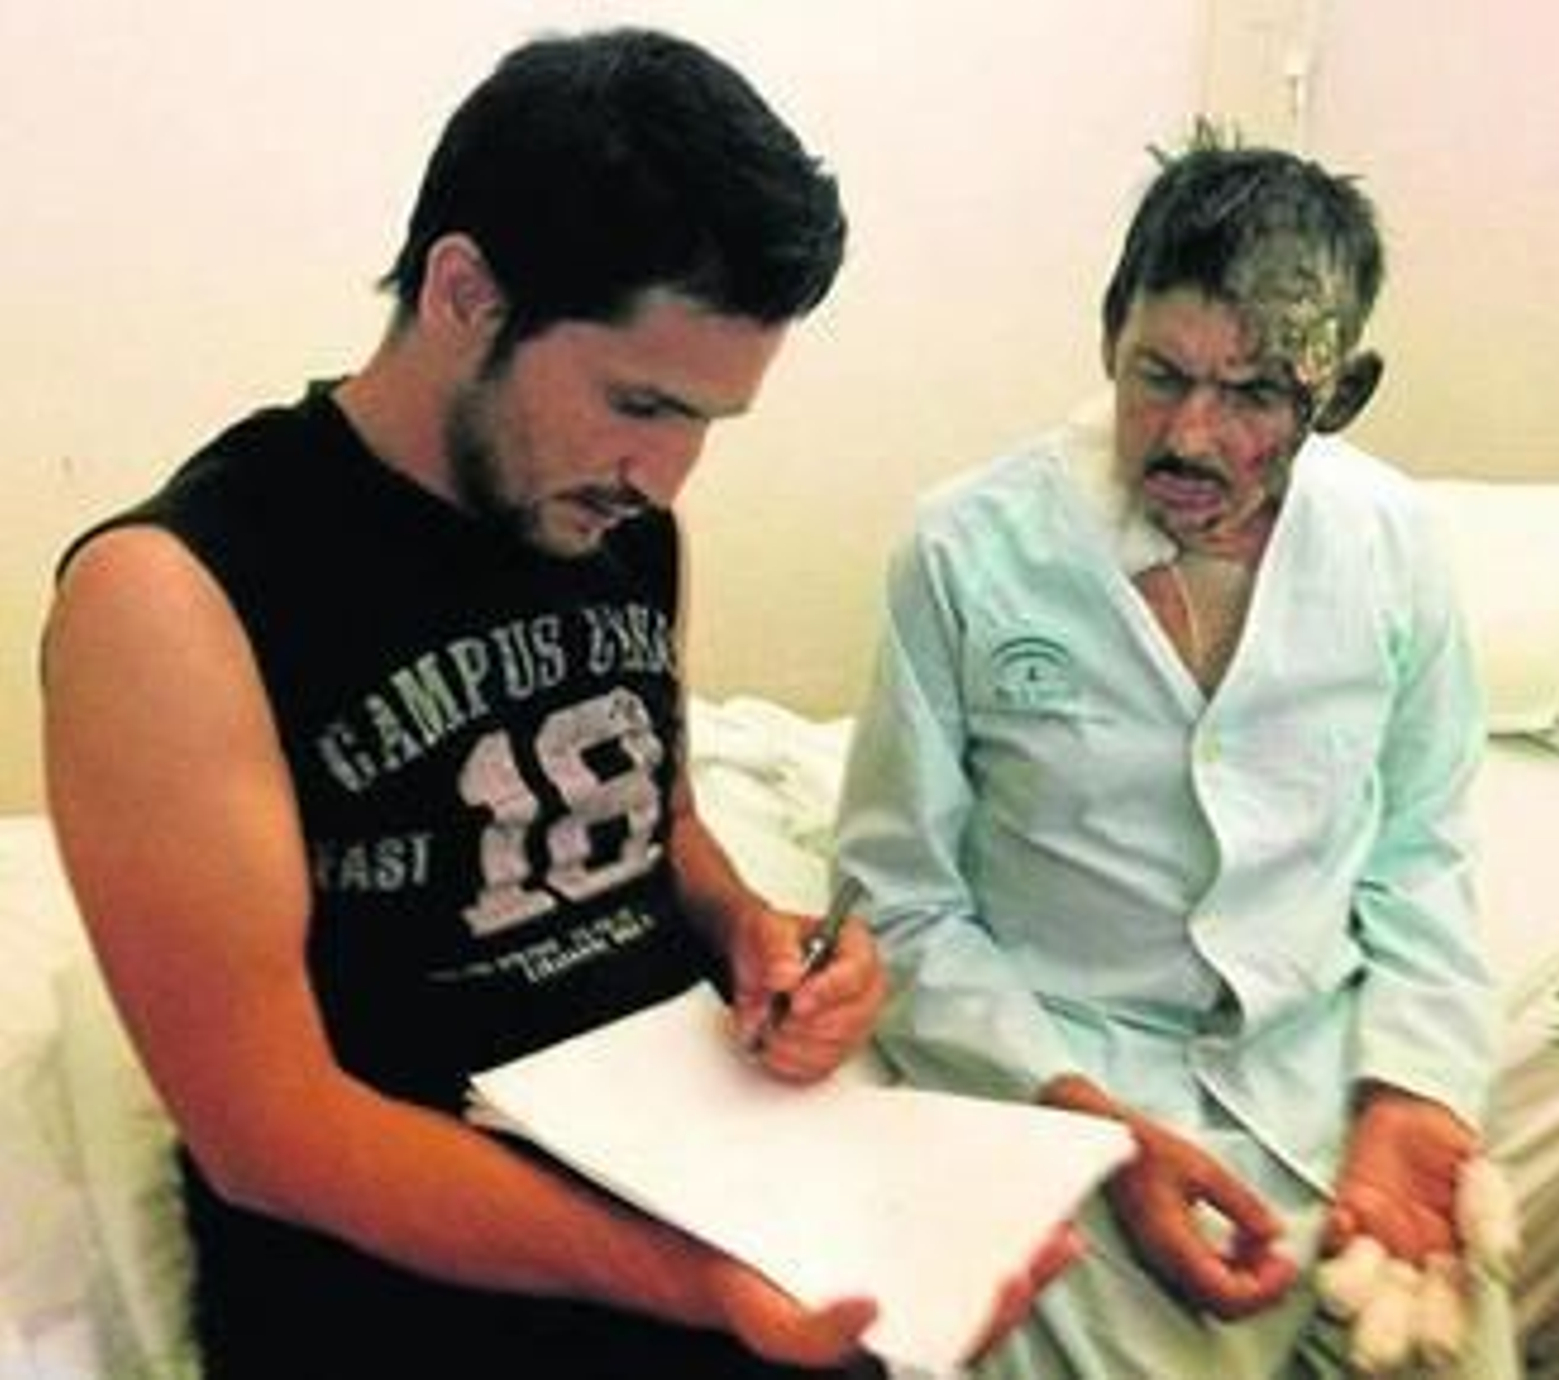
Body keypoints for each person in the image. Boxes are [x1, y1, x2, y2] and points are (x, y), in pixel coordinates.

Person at [40, 28, 1073, 1380]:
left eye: (710, 421)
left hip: (718, 1197)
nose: (668, 475)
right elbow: (270, 1140)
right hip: (411, 1288)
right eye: (640, 401)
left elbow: (656, 820)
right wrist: (712, 1285)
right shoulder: (173, 597)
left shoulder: (618, 520)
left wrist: (755, 934)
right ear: (465, 292)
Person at [834, 124, 1520, 1378]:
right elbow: (899, 904)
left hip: (1327, 1103)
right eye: (1156, 374)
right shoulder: (965, 550)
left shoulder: (1395, 548)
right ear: (1108, 333)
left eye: (1255, 393)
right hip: (1068, 1091)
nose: (1188, 437)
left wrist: (1415, 1091)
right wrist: (1084, 1124)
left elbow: (1421, 852)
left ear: (1340, 394)